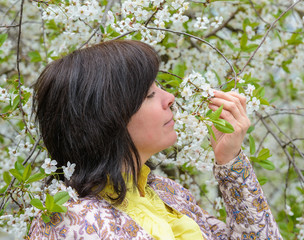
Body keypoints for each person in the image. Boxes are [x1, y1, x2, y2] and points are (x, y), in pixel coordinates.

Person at [28, 40, 282, 239]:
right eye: (149, 94)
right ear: (106, 118)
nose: (169, 97)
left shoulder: (167, 193)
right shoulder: (70, 222)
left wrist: (230, 162)